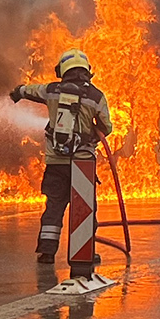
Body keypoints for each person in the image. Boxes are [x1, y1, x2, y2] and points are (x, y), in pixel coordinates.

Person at [10, 48, 113, 264]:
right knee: (84, 207)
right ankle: (86, 253)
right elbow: (107, 127)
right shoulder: (96, 96)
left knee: (54, 205)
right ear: (87, 71)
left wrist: (18, 91)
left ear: (62, 70)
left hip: (56, 162)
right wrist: (91, 129)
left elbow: (30, 91)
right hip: (82, 163)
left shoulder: (51, 90)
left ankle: (47, 252)